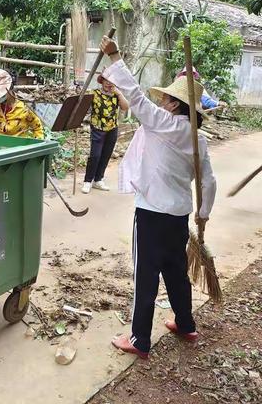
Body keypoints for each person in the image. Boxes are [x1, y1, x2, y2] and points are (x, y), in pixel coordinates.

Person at [98, 36, 217, 359]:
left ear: (175, 105)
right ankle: (185, 323)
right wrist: (203, 213)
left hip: (150, 214)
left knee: (146, 275)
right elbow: (209, 181)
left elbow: (136, 98)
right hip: (178, 215)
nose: (162, 103)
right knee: (176, 270)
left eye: (166, 99)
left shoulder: (162, 122)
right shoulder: (198, 139)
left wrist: (115, 57)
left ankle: (139, 340)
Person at [81, 73, 129, 194]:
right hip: (97, 128)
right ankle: (87, 181)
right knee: (95, 155)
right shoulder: (94, 93)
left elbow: (125, 107)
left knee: (106, 154)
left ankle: (98, 180)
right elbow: (82, 106)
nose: (108, 83)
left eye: (111, 80)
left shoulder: (116, 95)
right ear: (101, 81)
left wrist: (119, 93)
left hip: (112, 129)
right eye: (106, 80)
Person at [0, 68, 44, 139]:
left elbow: (37, 128)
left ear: (10, 87)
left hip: (18, 147)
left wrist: (37, 145)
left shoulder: (25, 106)